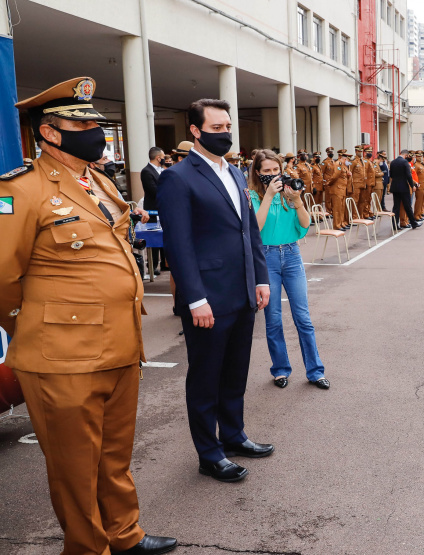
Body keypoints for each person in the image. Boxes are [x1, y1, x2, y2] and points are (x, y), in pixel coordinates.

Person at [0, 77, 176, 555]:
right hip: (61, 356)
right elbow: (2, 278)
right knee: (74, 466)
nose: (93, 131)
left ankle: (124, 535)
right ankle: (86, 547)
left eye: (95, 122)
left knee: (113, 457)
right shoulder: (22, 190)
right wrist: (34, 328)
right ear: (50, 133)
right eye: (80, 123)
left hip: (119, 346)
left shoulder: (96, 181)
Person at [158, 98, 274, 484]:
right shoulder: (178, 177)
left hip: (242, 292)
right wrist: (195, 298)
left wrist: (260, 278)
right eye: (216, 128)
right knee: (206, 377)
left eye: (227, 127)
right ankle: (210, 453)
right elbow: (179, 245)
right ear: (195, 131)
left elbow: (249, 233)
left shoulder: (237, 173)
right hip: (207, 297)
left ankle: (235, 436)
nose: (225, 134)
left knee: (235, 371)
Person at [246, 150, 329, 390]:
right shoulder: (252, 195)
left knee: (303, 317)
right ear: (257, 173)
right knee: (272, 320)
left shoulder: (289, 192)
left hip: (291, 255)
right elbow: (256, 227)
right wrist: (269, 196)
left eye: (275, 170)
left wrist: (297, 200)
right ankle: (280, 369)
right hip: (266, 257)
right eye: (266, 171)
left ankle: (315, 371)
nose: (272, 175)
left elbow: (305, 224)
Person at [141, 146, 166, 274]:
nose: (164, 159)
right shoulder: (146, 171)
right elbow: (153, 190)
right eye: (163, 156)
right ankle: (154, 265)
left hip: (163, 208)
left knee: (164, 235)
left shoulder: (161, 170)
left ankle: (165, 263)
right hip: (152, 208)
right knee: (154, 237)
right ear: (158, 157)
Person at [390, 149, 421, 229]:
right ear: (406, 155)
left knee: (396, 207)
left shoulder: (393, 162)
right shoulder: (405, 163)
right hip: (403, 187)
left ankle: (395, 225)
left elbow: (391, 175)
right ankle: (413, 223)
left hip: (395, 187)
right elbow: (408, 176)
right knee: (407, 206)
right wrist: (412, 185)